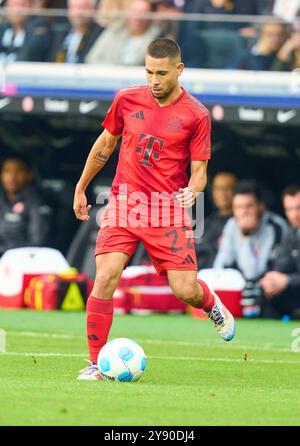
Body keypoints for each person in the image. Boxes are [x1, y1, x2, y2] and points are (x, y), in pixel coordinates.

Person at [73, 37, 235, 380]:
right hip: (125, 202)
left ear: (179, 69)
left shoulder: (196, 115)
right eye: (148, 72)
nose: (154, 80)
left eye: (161, 73)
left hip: (167, 210)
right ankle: (94, 364)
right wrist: (82, 185)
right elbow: (105, 144)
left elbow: (200, 170)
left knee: (185, 290)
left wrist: (194, 190)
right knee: (104, 277)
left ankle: (210, 304)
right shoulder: (127, 98)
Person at [213, 180, 288, 281]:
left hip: (271, 289)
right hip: (241, 286)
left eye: (249, 206)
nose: (244, 212)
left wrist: (246, 235)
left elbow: (253, 273)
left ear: (261, 206)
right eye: (239, 207)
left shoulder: (275, 226)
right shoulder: (232, 224)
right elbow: (219, 266)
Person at [260, 185, 300, 319]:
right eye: (289, 209)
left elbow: (287, 279)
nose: (295, 214)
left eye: (298, 208)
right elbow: (281, 265)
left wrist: (287, 280)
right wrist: (272, 279)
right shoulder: (292, 233)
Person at [0, 154, 52, 257]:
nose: (12, 176)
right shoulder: (2, 199)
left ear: (29, 174)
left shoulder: (35, 201)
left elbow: (37, 241)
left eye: (18, 171)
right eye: (7, 171)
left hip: (21, 260)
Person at [85, 0, 162, 65]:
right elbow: (91, 58)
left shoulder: (155, 37)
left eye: (143, 14)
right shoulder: (115, 31)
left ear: (150, 17)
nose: (138, 17)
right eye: (135, 12)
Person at [195, 171, 237, 269]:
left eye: (228, 188)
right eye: (218, 188)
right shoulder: (205, 224)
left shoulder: (242, 225)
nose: (222, 193)